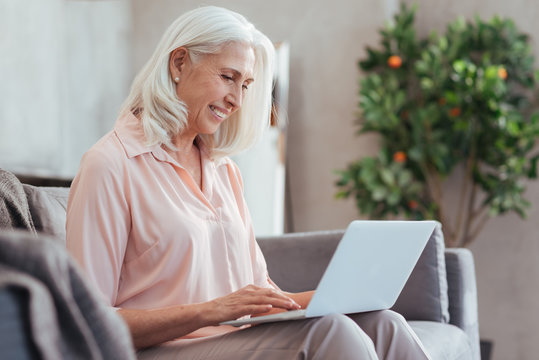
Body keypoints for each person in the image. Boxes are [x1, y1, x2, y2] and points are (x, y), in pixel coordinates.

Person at [66, 6, 431, 359]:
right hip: (160, 351)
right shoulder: (109, 165)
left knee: (383, 323)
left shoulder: (224, 171)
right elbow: (85, 321)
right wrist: (209, 311)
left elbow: (259, 298)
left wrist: (338, 297)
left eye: (246, 84)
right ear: (179, 63)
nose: (238, 99)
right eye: (228, 77)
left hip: (236, 342)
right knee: (329, 333)